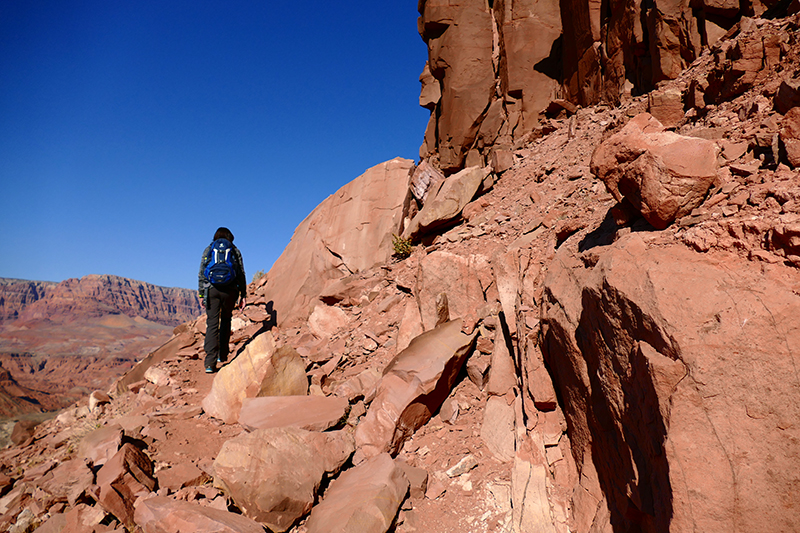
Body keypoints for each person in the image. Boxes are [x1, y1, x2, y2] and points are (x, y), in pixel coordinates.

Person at [198, 227, 246, 373]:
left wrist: (201, 293)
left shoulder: (209, 249)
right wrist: (243, 295)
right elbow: (241, 273)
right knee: (226, 320)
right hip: (230, 291)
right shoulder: (234, 250)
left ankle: (209, 363)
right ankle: (222, 355)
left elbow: (202, 272)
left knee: (212, 324)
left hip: (212, 290)